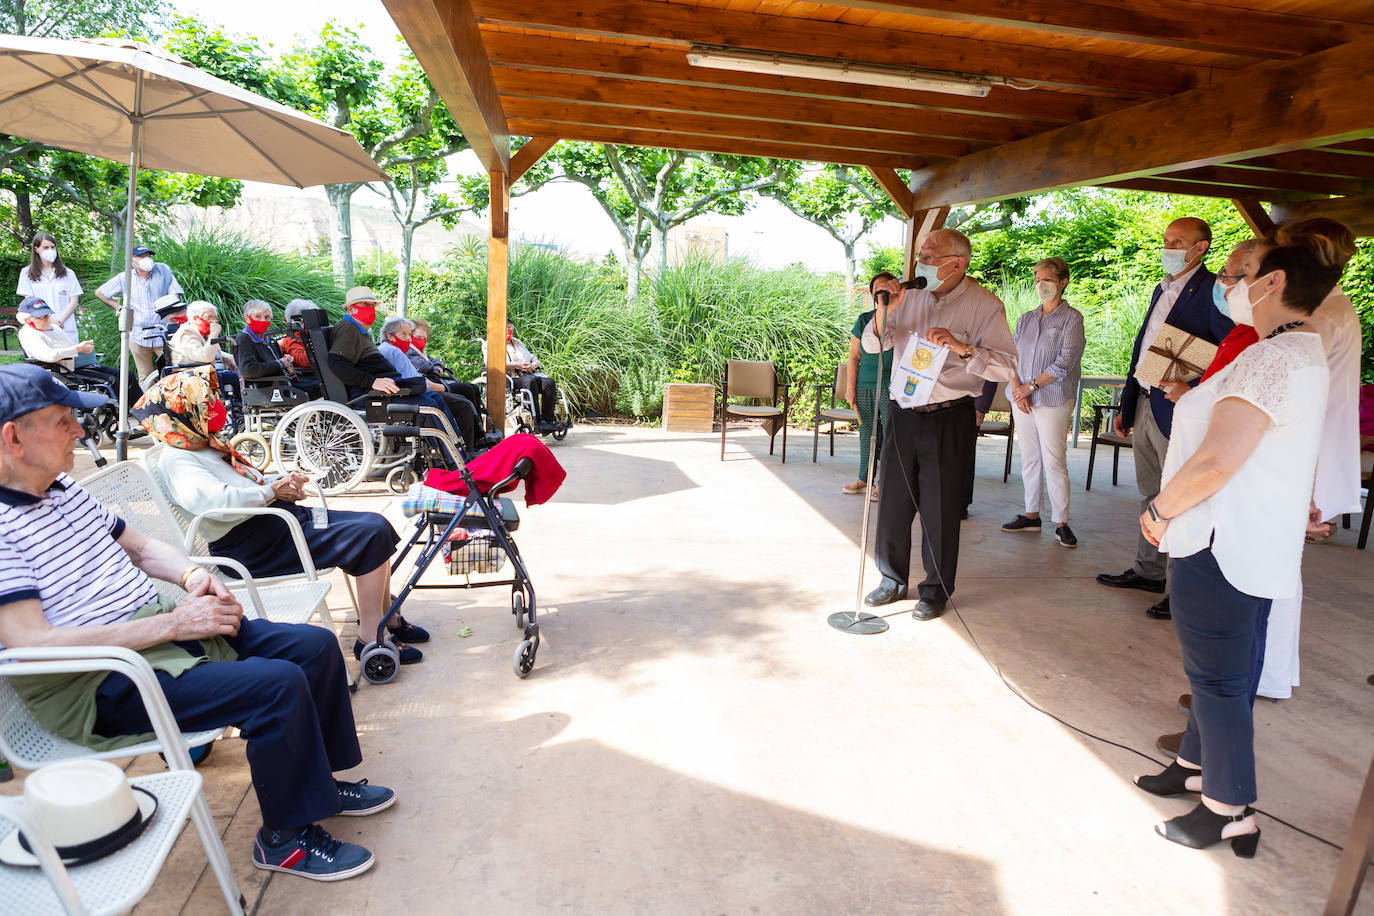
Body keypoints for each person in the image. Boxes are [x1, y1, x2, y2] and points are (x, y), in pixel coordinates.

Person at [0, 363, 393, 882]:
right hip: (99, 681)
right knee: (276, 685)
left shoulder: (63, 489)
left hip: (160, 634)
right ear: (13, 437)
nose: (78, 428)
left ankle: (320, 780)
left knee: (315, 648)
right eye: (62, 419)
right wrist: (171, 627)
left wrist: (190, 575)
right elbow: (33, 644)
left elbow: (138, 547)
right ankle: (285, 839)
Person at [1132, 243, 1334, 857]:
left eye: (1238, 275)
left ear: (1271, 282)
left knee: (1219, 680)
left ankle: (1226, 808)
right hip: (1252, 540)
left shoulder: (1271, 360)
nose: (1228, 284)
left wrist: (1159, 510)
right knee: (1224, 670)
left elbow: (1218, 459)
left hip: (1221, 542)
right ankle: (1194, 766)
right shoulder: (1298, 353)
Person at [133, 369, 429, 666]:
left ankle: (386, 615)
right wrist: (269, 492)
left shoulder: (199, 443)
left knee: (374, 523)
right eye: (206, 402)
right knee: (369, 534)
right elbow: (219, 502)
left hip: (272, 525)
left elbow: (241, 485)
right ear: (183, 410)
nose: (215, 407)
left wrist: (279, 483)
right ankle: (371, 637)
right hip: (253, 546)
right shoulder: (179, 459)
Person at [862, 228, 1018, 620]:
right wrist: (887, 308)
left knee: (942, 507)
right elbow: (872, 344)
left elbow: (1007, 366)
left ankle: (934, 589)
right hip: (902, 411)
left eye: (931, 256)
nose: (921, 262)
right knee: (894, 502)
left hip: (949, 417)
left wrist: (962, 348)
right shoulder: (907, 297)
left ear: (958, 264)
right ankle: (891, 579)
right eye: (921, 254)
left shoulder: (985, 305)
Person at [1097, 217, 1233, 620]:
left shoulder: (1214, 291)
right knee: (1150, 491)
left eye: (1178, 241)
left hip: (1178, 407)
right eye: (1166, 239)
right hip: (1144, 400)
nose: (1168, 246)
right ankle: (1148, 571)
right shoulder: (1163, 287)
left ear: (1201, 248)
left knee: (1180, 496)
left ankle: (1181, 589)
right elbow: (1144, 351)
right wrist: (1127, 403)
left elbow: (1227, 350)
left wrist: (1193, 390)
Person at [1001, 257, 1086, 548]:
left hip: (1052, 398)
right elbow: (1011, 355)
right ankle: (1031, 514)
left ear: (1063, 281)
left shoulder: (1072, 318)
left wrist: (1031, 387)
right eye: (1037, 279)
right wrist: (1017, 388)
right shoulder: (1026, 317)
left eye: (1047, 279)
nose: (1041, 285)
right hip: (1021, 397)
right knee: (1029, 457)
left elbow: (1065, 361)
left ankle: (1061, 522)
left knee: (1054, 460)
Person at [326, 286, 461, 463]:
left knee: (434, 398)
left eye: (372, 305)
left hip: (387, 388)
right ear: (351, 309)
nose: (371, 309)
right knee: (430, 406)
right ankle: (447, 461)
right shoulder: (348, 328)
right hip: (369, 394)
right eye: (365, 305)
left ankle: (456, 454)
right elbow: (336, 362)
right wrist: (372, 382)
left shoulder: (359, 329)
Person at [15, 296, 141, 407]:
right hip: (62, 371)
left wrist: (83, 349)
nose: (47, 319)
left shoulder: (53, 328)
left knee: (126, 374)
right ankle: (122, 419)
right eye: (42, 317)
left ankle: (143, 413)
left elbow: (69, 346)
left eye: (48, 315)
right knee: (111, 381)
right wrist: (78, 349)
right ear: (28, 320)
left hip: (78, 365)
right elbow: (49, 355)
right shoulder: (28, 334)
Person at [378, 316, 481, 452]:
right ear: (390, 336)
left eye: (409, 334)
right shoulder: (396, 352)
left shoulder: (393, 350)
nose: (409, 339)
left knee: (464, 396)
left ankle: (461, 448)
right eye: (405, 334)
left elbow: (427, 368)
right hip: (412, 393)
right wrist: (441, 386)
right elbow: (418, 378)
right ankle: (458, 450)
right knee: (462, 403)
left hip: (416, 389)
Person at [94, 245, 184, 388]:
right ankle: (150, 409)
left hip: (163, 332)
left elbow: (175, 295)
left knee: (173, 372)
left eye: (149, 256)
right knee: (146, 377)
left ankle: (174, 407)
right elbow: (100, 292)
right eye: (142, 256)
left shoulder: (163, 274)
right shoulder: (125, 278)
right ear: (132, 260)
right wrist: (118, 307)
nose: (147, 259)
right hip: (138, 335)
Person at [842, 272, 896, 498]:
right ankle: (865, 478)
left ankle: (885, 483)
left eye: (886, 289)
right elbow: (854, 357)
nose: (881, 294)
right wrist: (850, 388)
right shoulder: (864, 320)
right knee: (866, 433)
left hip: (892, 387)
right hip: (865, 385)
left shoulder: (903, 319)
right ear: (873, 294)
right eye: (877, 291)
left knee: (892, 435)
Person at [169, 300, 241, 414]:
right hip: (188, 375)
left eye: (214, 318)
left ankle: (240, 410)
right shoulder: (186, 333)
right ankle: (227, 412)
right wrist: (213, 336)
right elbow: (204, 356)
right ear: (195, 318)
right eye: (209, 317)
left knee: (235, 375)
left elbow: (216, 353)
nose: (213, 321)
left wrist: (230, 358)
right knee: (226, 376)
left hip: (203, 372)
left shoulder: (203, 332)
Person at [408, 317, 488, 417]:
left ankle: (478, 426)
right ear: (410, 336)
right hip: (430, 387)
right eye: (419, 337)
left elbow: (436, 361)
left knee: (474, 388)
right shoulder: (409, 351)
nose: (422, 341)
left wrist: (436, 365)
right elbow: (423, 365)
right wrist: (436, 368)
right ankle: (475, 430)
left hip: (437, 383)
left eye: (425, 339)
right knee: (467, 390)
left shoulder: (421, 352)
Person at [16, 233, 84, 347]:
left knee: (68, 360)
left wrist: (59, 320)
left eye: (53, 247)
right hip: (41, 327)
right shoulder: (26, 273)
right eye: (46, 247)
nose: (50, 250)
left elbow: (74, 301)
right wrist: (50, 320)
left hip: (66, 327)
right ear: (36, 249)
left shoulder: (68, 273)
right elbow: (30, 301)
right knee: (45, 361)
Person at [235, 299, 306, 394]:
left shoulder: (268, 339)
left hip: (283, 382)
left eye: (267, 317)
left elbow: (275, 363)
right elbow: (248, 370)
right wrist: (280, 363)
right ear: (247, 319)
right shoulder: (244, 338)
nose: (263, 320)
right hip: (269, 389)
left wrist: (286, 362)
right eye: (257, 316)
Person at [503, 320, 561, 430]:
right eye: (506, 328)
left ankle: (547, 420)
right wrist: (518, 365)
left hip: (528, 374)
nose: (509, 331)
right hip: (512, 378)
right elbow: (498, 364)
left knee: (549, 382)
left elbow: (532, 357)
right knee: (530, 381)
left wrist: (533, 365)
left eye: (510, 328)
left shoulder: (518, 343)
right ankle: (537, 420)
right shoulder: (494, 345)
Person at [278, 299, 321, 395]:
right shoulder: (291, 339)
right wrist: (322, 348)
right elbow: (303, 360)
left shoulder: (304, 335)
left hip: (312, 374)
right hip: (305, 378)